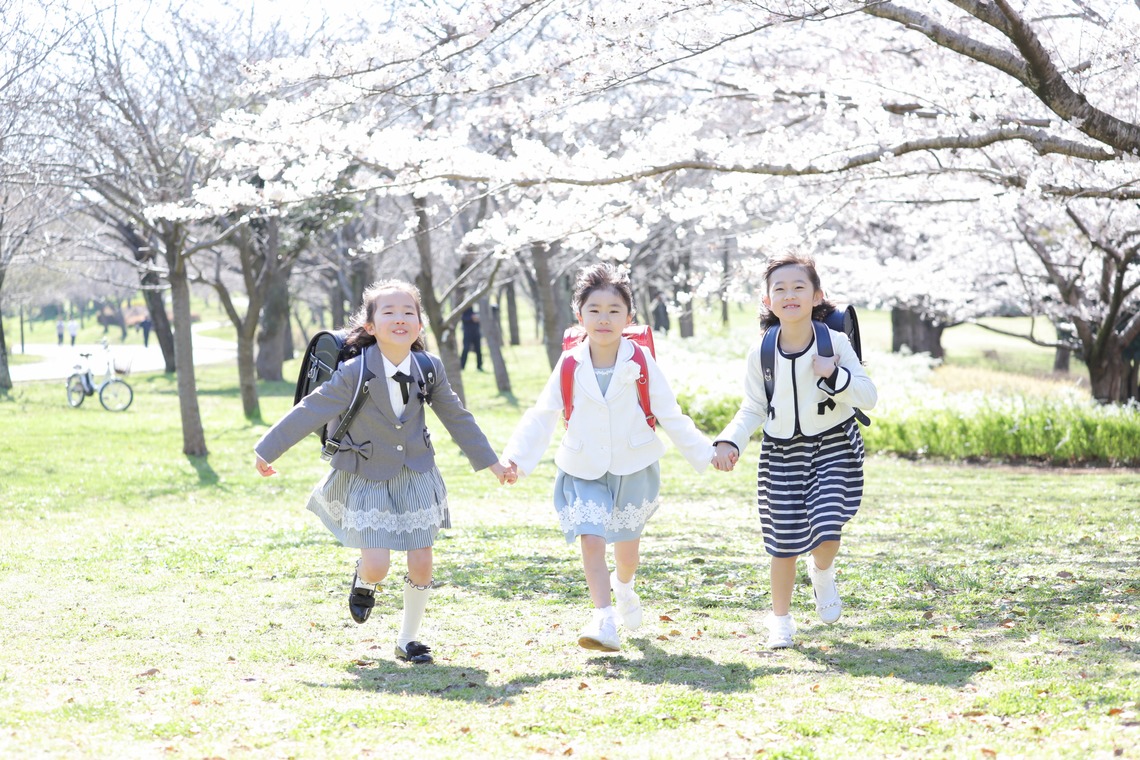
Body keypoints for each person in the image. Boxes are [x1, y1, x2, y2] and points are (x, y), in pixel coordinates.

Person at [254, 279, 514, 665]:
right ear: (371, 326)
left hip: (416, 472)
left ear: (420, 325)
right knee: (378, 565)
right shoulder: (354, 371)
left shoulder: (429, 368)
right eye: (388, 312)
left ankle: (408, 639)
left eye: (409, 312)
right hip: (366, 473)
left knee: (422, 559)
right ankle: (363, 580)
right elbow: (312, 409)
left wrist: (492, 462)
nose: (400, 319)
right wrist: (267, 449)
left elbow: (457, 417)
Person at [502, 263, 713, 653]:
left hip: (633, 468)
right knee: (592, 539)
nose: (604, 318)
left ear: (629, 317)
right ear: (579, 316)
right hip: (582, 469)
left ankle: (625, 587)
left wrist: (706, 453)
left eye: (614, 310)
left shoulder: (641, 362)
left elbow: (670, 413)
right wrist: (516, 458)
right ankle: (604, 617)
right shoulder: (569, 363)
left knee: (626, 549)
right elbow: (543, 413)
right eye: (594, 310)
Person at [711, 252, 877, 650]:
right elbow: (752, 407)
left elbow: (868, 396)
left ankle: (822, 573)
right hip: (781, 454)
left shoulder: (835, 342)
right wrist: (729, 439)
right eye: (779, 289)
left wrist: (834, 373)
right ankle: (780, 621)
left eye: (799, 287)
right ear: (767, 301)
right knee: (782, 544)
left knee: (827, 527)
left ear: (817, 296)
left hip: (833, 444)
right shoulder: (761, 353)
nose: (789, 295)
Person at [460, 306, 483, 371]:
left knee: (478, 350)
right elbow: (464, 318)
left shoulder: (475, 309)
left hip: (476, 333)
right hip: (467, 334)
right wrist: (471, 318)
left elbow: (478, 319)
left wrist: (476, 318)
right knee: (465, 349)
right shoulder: (464, 310)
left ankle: (479, 366)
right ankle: (462, 366)